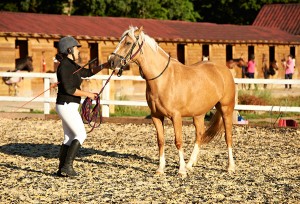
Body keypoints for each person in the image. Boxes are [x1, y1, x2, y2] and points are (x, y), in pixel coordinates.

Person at [55, 36, 110, 177]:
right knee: (81, 134)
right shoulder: (65, 66)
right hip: (67, 105)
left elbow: (88, 73)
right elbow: (69, 89)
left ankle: (61, 169)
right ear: (69, 50)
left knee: (69, 137)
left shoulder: (71, 65)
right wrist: (89, 95)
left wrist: (105, 65)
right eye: (76, 48)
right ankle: (67, 167)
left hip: (68, 105)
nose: (78, 51)